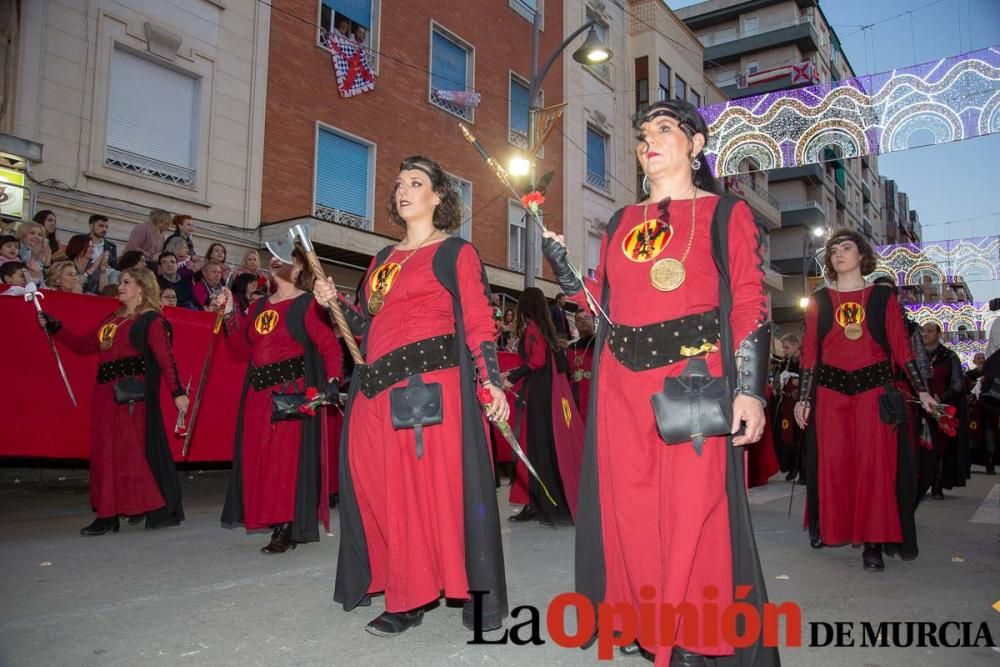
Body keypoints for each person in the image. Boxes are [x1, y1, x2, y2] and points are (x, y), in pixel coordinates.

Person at [541, 99, 774, 665]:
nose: (650, 139)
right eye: (644, 132)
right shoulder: (622, 221)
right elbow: (602, 306)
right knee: (632, 510)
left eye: (665, 129)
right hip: (621, 382)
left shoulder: (725, 214)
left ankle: (693, 637)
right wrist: (570, 276)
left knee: (694, 512)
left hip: (694, 377)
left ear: (695, 145)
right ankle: (650, 626)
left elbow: (749, 299)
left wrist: (750, 387)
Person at [314, 155, 509, 638]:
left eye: (416, 182)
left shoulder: (455, 253)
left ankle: (416, 597)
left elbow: (480, 321)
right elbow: (365, 328)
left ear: (438, 196)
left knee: (430, 495)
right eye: (399, 183)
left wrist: (492, 381)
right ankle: (402, 582)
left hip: (430, 390)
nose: (403, 190)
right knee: (378, 489)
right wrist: (334, 303)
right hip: (375, 391)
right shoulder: (382, 260)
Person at [795, 230, 936, 573]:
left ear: (861, 255)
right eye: (833, 250)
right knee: (835, 466)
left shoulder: (882, 299)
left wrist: (922, 391)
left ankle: (872, 544)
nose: (839, 254)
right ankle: (831, 528)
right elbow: (810, 353)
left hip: (873, 394)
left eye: (846, 247)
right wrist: (803, 399)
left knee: (874, 469)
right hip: (830, 395)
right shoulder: (819, 301)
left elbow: (902, 350)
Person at [38, 267, 188, 534]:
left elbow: (167, 360)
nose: (120, 286)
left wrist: (178, 393)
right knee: (105, 454)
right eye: (120, 282)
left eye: (126, 282)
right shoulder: (112, 320)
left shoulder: (151, 320)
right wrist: (55, 326)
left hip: (131, 397)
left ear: (142, 288)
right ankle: (111, 511)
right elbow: (84, 344)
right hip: (105, 395)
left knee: (127, 455)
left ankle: (111, 514)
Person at [217, 249, 343, 554]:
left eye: (283, 256)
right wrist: (230, 312)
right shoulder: (259, 305)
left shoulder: (307, 303)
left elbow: (329, 346)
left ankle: (286, 524)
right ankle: (273, 519)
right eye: (270, 255)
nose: (274, 260)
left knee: (285, 464)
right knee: (260, 459)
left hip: (291, 395)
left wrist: (333, 380)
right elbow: (238, 347)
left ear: (299, 267)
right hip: (259, 396)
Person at [503, 287, 581, 527]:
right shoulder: (546, 330)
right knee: (545, 448)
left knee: (534, 448)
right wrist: (515, 373)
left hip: (538, 395)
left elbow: (535, 361)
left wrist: (512, 378)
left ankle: (536, 503)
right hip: (546, 395)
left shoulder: (534, 328)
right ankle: (540, 502)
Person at [919, 322, 968, 499]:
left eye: (930, 331)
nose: (925, 334)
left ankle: (937, 485)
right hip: (918, 406)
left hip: (941, 409)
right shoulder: (914, 355)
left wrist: (940, 398)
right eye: (923, 331)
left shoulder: (949, 356)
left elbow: (957, 384)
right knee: (919, 447)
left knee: (939, 448)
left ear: (939, 335)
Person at [771, 333, 803, 481]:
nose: (784, 351)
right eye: (783, 348)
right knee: (786, 437)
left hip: (799, 405)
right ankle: (790, 466)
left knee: (798, 439)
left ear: (796, 345)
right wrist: (778, 385)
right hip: (786, 406)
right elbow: (777, 382)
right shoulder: (784, 363)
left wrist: (796, 381)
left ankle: (800, 468)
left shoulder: (803, 361)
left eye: (787, 347)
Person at [566, 311, 596, 422]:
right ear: (576, 324)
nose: (583, 320)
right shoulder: (571, 346)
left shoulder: (601, 343)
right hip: (573, 396)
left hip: (593, 395)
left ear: (593, 321)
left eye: (586, 317)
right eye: (579, 319)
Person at [17, 221, 48, 285]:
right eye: (32, 233)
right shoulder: (16, 250)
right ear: (22, 234)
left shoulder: (39, 255)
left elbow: (41, 282)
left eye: (40, 235)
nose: (36, 237)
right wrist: (33, 256)